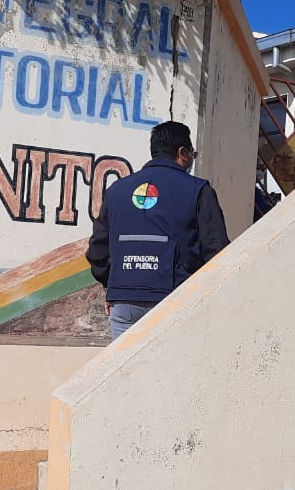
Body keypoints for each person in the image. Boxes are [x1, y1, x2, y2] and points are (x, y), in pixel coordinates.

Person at [86, 121, 230, 339]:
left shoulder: (117, 191)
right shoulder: (199, 190)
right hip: (176, 300)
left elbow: (97, 249)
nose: (192, 159)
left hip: (124, 303)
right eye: (193, 154)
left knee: (127, 372)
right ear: (182, 153)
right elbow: (217, 250)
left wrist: (116, 286)